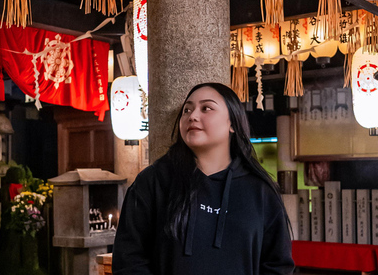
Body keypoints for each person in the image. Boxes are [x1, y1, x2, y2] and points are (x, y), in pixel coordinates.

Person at [112, 82, 294, 275]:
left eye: (206, 108)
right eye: (187, 110)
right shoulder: (153, 182)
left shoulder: (260, 191)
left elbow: (277, 265)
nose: (193, 116)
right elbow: (129, 259)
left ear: (232, 123)